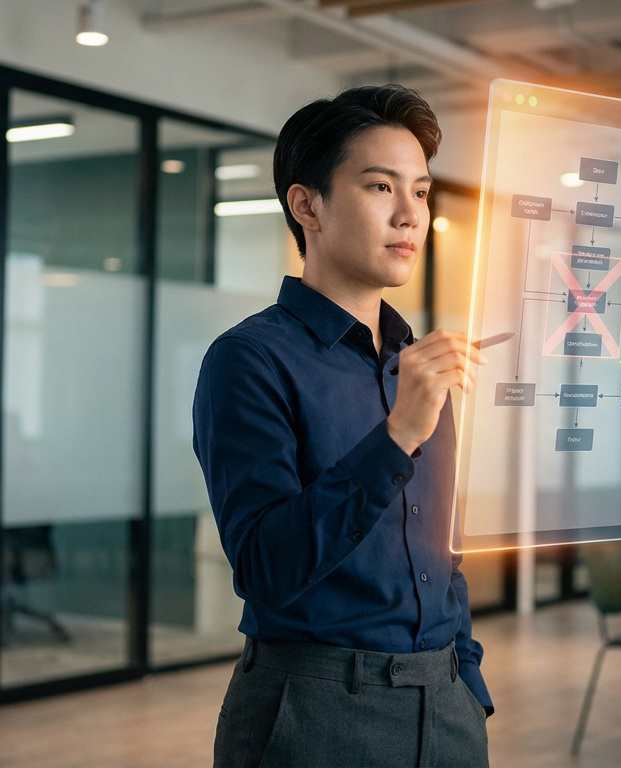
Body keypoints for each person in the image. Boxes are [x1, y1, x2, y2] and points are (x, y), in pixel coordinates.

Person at [192, 84, 491, 767]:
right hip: (317, 713)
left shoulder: (416, 362)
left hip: (446, 709)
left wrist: (466, 681)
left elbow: (443, 552)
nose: (409, 214)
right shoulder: (249, 360)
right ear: (307, 205)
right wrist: (396, 437)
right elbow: (266, 567)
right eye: (381, 186)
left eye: (420, 192)